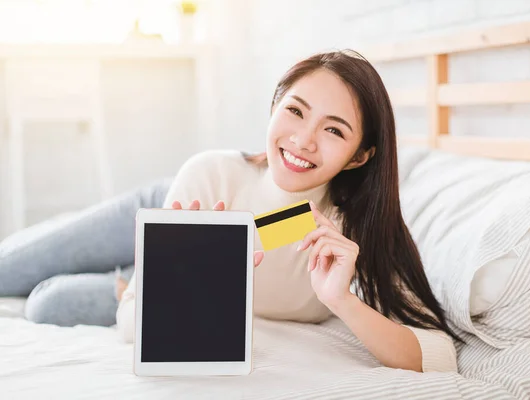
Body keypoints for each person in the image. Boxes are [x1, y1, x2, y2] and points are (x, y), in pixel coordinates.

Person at [0, 50, 458, 373]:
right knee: (8, 268)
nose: (303, 140)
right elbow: (261, 229)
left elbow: (437, 355)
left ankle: (125, 278)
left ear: (360, 156)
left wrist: (341, 299)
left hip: (174, 271)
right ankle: (132, 268)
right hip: (175, 203)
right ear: (275, 104)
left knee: (47, 302)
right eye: (295, 111)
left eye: (334, 131)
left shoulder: (352, 232)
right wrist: (175, 255)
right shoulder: (212, 172)